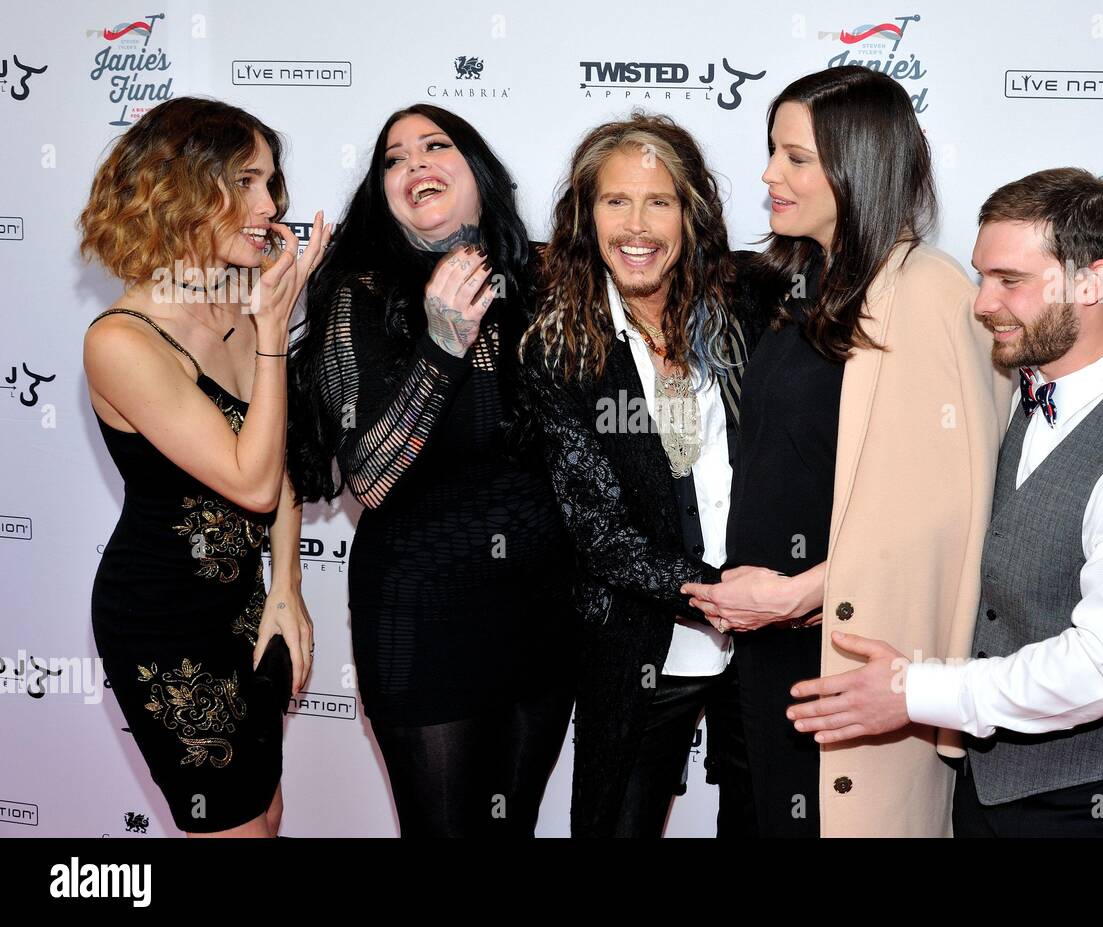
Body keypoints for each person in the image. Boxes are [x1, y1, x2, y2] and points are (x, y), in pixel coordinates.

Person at [787, 167, 1103, 838]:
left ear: (1095, 282)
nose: (983, 302)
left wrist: (915, 690)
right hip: (987, 793)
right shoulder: (1013, 398)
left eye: (1010, 281)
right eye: (982, 277)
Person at [683, 66, 1011, 837]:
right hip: (766, 658)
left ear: (860, 163)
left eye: (796, 158)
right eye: (773, 151)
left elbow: (945, 521)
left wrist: (797, 594)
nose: (768, 174)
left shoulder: (926, 291)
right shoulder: (807, 281)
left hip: (845, 660)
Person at [287, 104, 575, 837]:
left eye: (435, 146)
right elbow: (372, 477)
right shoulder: (362, 294)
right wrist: (444, 343)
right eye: (393, 158)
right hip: (423, 618)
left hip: (541, 615)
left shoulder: (543, 283)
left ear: (479, 174)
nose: (413, 163)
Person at [80, 96, 327, 837]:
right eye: (246, 181)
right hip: (162, 623)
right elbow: (247, 479)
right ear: (182, 188)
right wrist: (274, 330)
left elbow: (279, 466)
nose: (270, 203)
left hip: (242, 605)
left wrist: (286, 583)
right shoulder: (122, 341)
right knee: (235, 827)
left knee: (266, 807)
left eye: (272, 182)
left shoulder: (234, 304)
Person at [520, 113, 766, 837]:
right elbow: (600, 533)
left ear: (689, 213)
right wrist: (721, 596)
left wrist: (772, 596)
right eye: (614, 201)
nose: (637, 225)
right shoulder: (563, 349)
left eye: (658, 201)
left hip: (763, 642)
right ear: (585, 215)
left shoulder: (745, 310)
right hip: (639, 645)